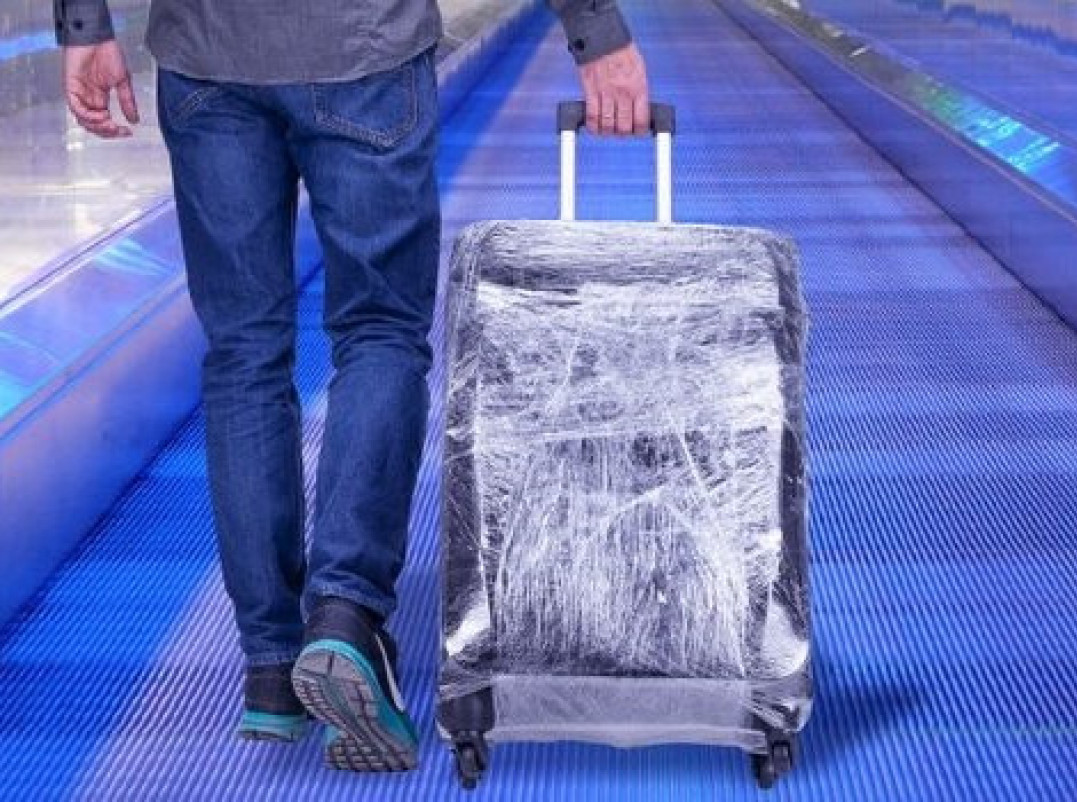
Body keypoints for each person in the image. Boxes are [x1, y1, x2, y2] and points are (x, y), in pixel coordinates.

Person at [55, 0, 650, 772]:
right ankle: (345, 612)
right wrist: (595, 32)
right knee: (379, 334)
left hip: (207, 57)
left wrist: (85, 26)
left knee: (243, 355)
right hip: (363, 52)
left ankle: (271, 666)